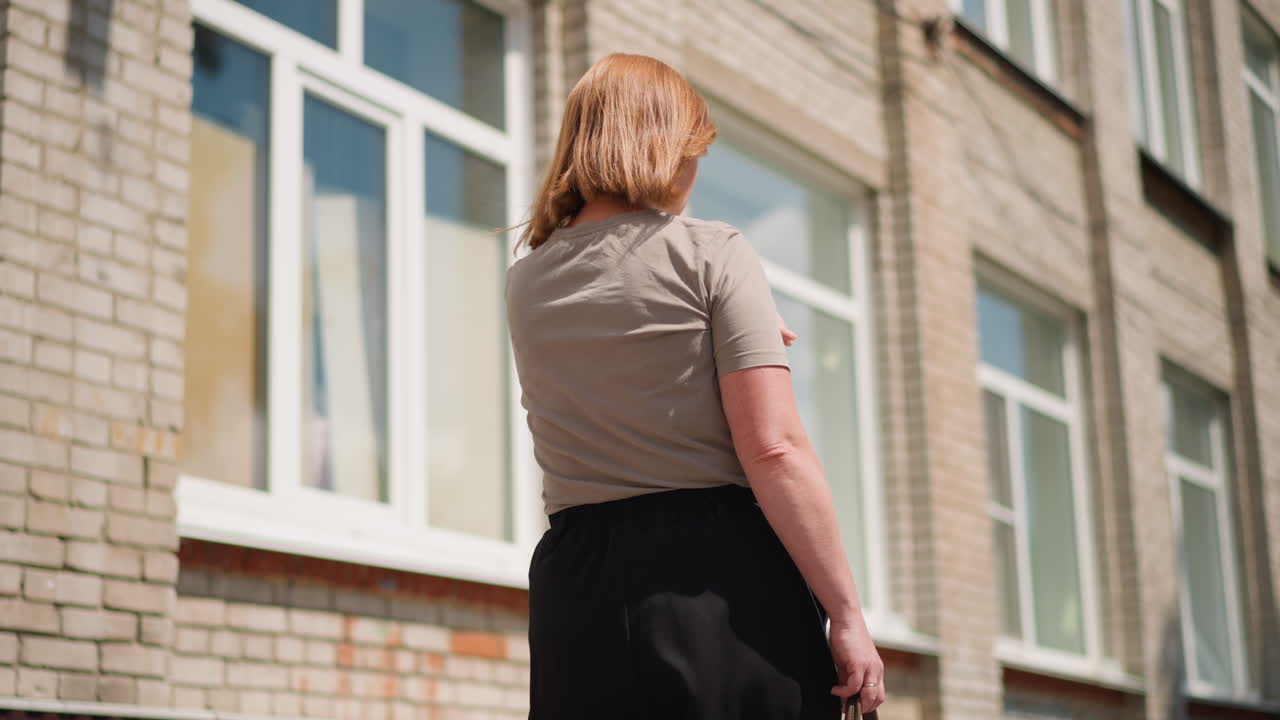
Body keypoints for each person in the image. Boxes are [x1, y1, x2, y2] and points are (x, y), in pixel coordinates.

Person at [505, 52, 885, 719]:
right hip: (715, 582)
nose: (696, 170)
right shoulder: (714, 251)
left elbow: (618, 355)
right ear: (665, 147)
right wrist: (846, 613)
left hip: (576, 588)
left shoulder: (526, 279)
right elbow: (774, 450)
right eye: (694, 150)